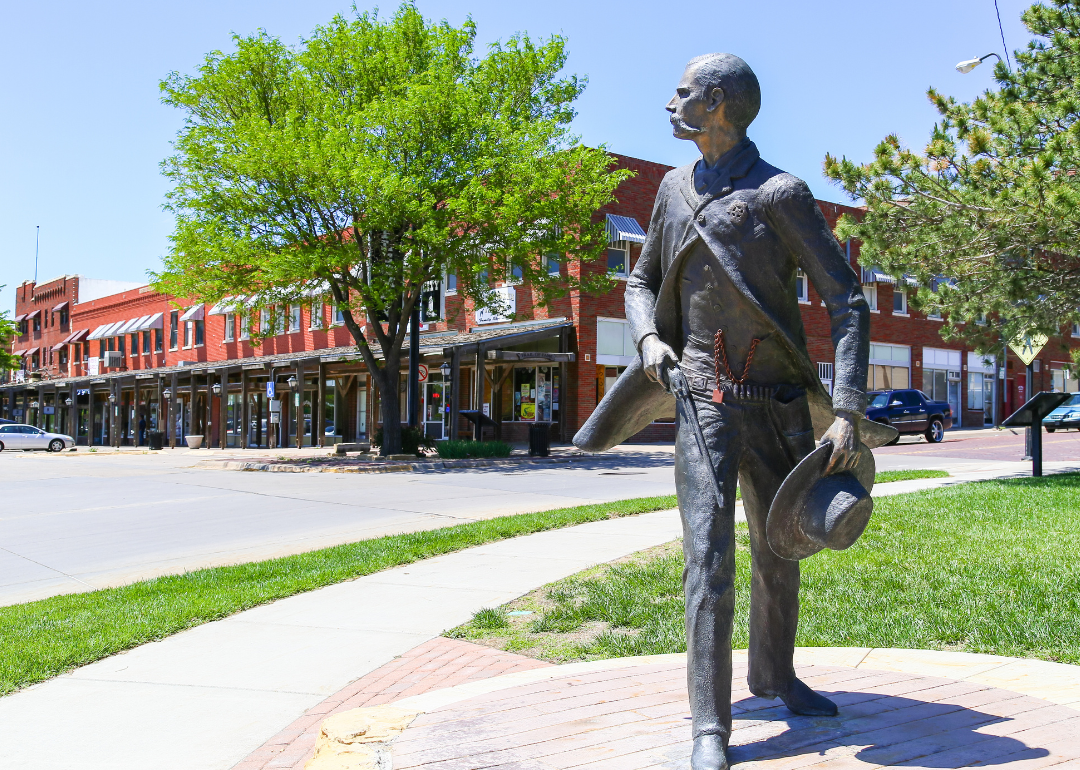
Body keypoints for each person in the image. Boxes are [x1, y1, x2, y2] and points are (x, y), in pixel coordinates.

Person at [574, 54, 893, 770]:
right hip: (701, 400)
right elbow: (639, 278)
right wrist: (650, 337)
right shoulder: (670, 190)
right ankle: (710, 725)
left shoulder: (780, 194)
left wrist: (845, 409)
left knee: (783, 548)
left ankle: (774, 674)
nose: (672, 102)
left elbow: (846, 301)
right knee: (708, 560)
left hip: (779, 405)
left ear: (716, 103)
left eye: (683, 93)